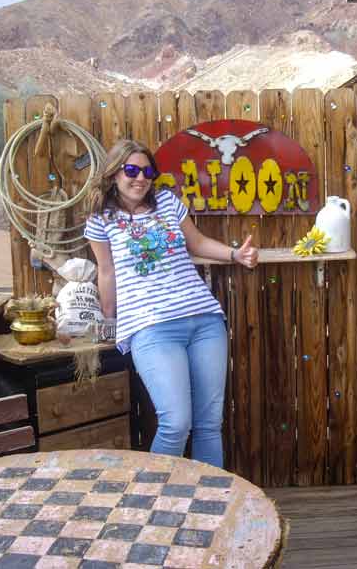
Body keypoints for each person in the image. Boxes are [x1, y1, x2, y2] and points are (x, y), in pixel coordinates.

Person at [84, 139, 258, 468]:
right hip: (151, 328)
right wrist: (109, 320)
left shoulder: (167, 202)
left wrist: (236, 254)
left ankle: (211, 503)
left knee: (209, 425)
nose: (140, 178)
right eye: (131, 170)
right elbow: (106, 272)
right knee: (176, 423)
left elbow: (198, 243)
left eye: (147, 171)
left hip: (205, 320)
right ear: (114, 174)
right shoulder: (100, 219)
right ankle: (156, 502)